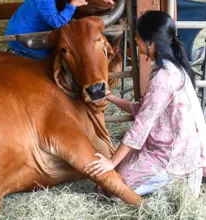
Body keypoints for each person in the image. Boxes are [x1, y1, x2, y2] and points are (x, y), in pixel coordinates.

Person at [84, 10, 206, 199]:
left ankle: (171, 181)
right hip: (163, 146)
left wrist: (111, 162)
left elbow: (142, 125)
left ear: (151, 43)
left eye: (138, 39)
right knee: (110, 179)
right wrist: (110, 96)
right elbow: (143, 110)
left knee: (110, 189)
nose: (136, 42)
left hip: (170, 155)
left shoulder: (164, 77)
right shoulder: (172, 67)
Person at [5, 0, 114, 60]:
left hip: (21, 30)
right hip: (24, 37)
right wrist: (72, 5)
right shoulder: (44, 1)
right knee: (57, 58)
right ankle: (21, 56)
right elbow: (58, 23)